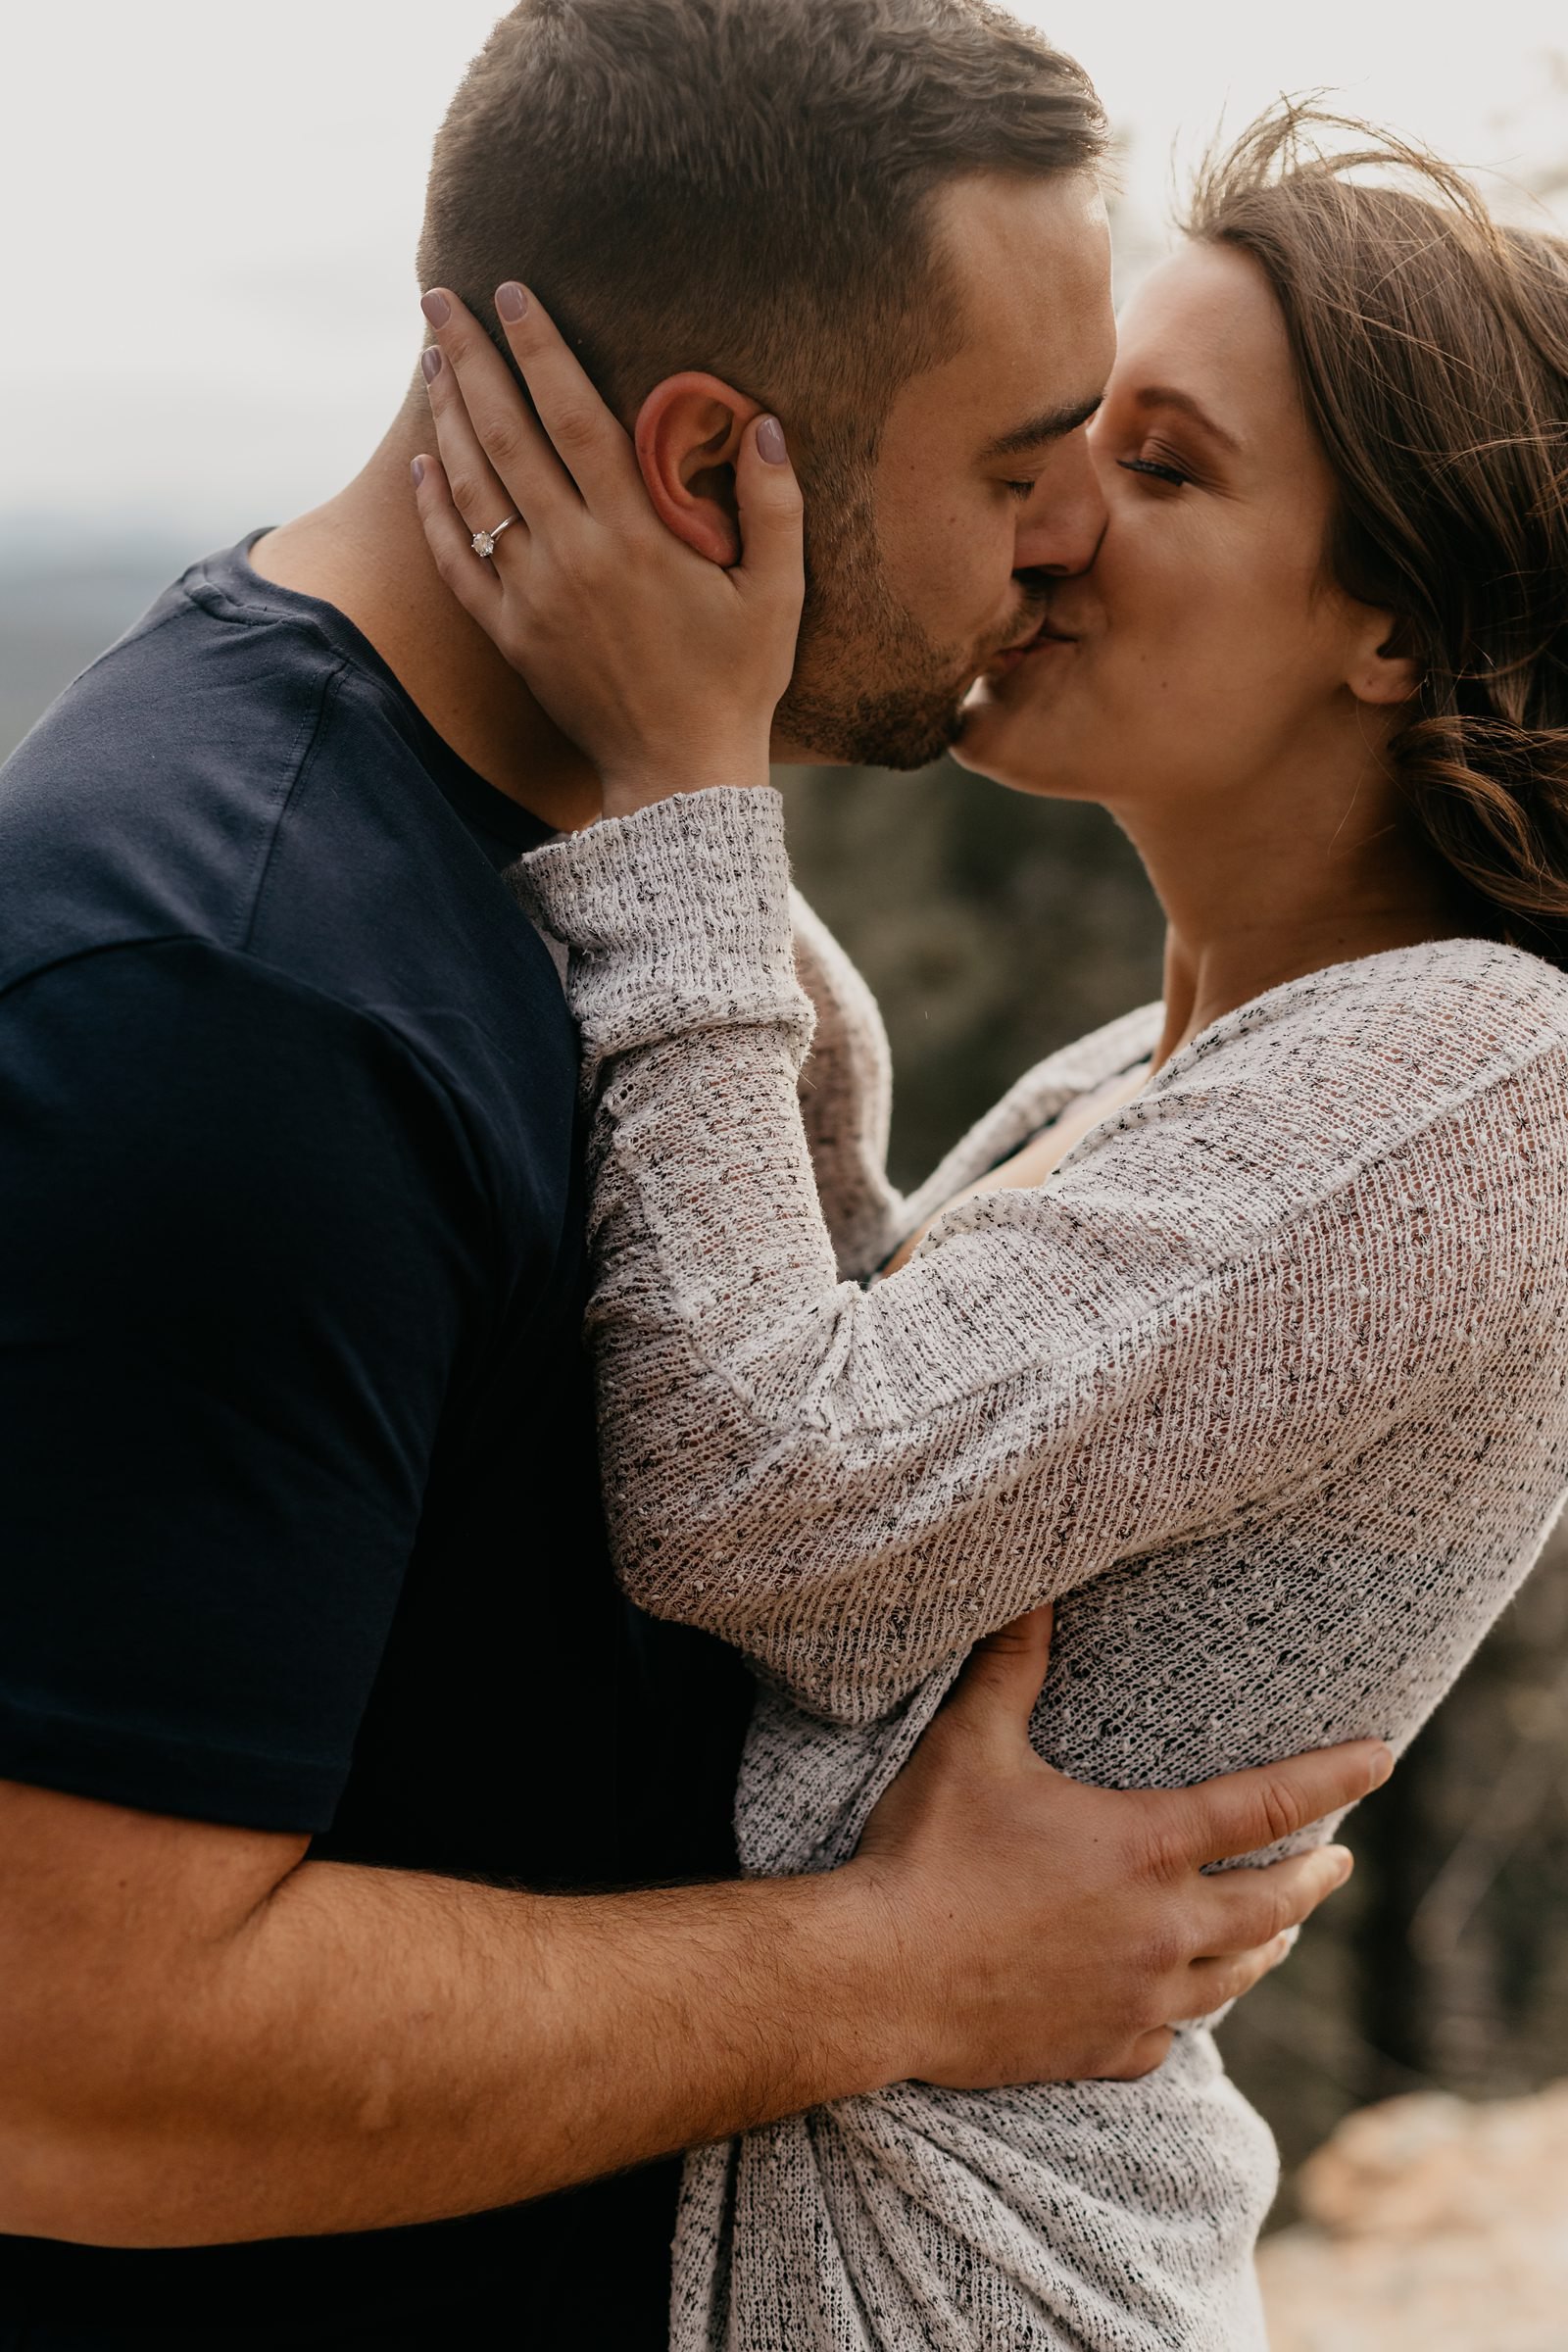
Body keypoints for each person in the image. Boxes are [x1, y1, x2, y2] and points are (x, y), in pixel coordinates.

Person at [0, 10, 1384, 2348]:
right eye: (1025, 460)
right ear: (709, 461)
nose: (1060, 548)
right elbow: (67, 2062)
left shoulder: (559, 867)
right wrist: (904, 1972)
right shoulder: (232, 999)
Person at [410, 103, 1568, 2351]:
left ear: (1395, 636)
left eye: (1163, 467)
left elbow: (769, 1496)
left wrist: (680, 791)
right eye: (1060, 445)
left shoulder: (1475, 1077)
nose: (1046, 526)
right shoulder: (1142, 1079)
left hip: (943, 2290)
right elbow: (827, 1380)